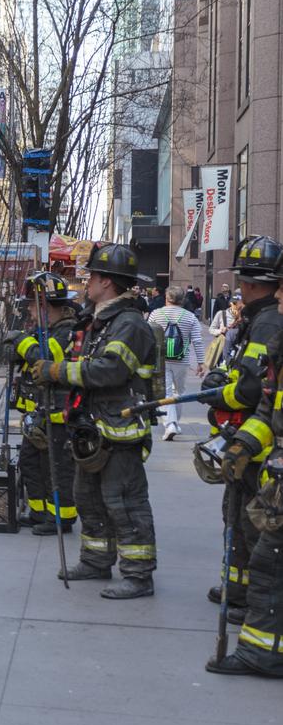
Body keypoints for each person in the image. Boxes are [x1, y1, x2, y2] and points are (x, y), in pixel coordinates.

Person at [31, 242, 158, 598]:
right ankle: (96, 561)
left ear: (108, 281)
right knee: (88, 498)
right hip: (91, 429)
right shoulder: (98, 321)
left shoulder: (129, 324)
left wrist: (57, 371)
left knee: (125, 503)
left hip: (120, 430)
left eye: (93, 277)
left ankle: (138, 574)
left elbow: (110, 371)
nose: (87, 283)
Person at [205, 246, 283, 678]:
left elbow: (252, 393)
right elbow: (271, 410)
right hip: (267, 456)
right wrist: (241, 446)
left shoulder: (268, 324)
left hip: (273, 466)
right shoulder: (269, 327)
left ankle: (262, 653)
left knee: (268, 557)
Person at [7, 272, 80, 535]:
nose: (28, 310)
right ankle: (39, 511)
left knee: (56, 468)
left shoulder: (66, 332)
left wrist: (22, 342)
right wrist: (17, 347)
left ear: (46, 307)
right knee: (30, 462)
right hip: (38, 411)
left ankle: (61, 518)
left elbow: (45, 359)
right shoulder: (43, 330)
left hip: (59, 412)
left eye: (31, 305)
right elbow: (24, 356)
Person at [147, 285, 206, 441]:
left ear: (167, 298)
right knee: (179, 392)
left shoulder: (156, 314)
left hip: (161, 360)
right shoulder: (190, 317)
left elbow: (148, 337)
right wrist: (201, 362)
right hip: (182, 360)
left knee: (165, 392)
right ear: (183, 300)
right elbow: (197, 341)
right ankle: (174, 423)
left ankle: (170, 424)